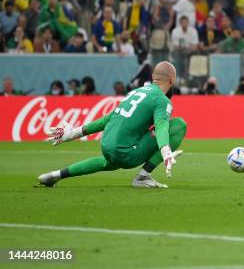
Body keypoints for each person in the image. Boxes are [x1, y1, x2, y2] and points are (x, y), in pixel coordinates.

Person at [38, 62, 185, 189]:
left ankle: (55, 175)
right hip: (126, 153)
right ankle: (143, 177)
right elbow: (161, 126)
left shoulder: (136, 92)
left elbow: (107, 119)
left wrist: (72, 134)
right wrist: (165, 149)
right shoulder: (162, 100)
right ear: (172, 79)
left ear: (154, 77)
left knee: (106, 162)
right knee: (179, 125)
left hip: (107, 145)